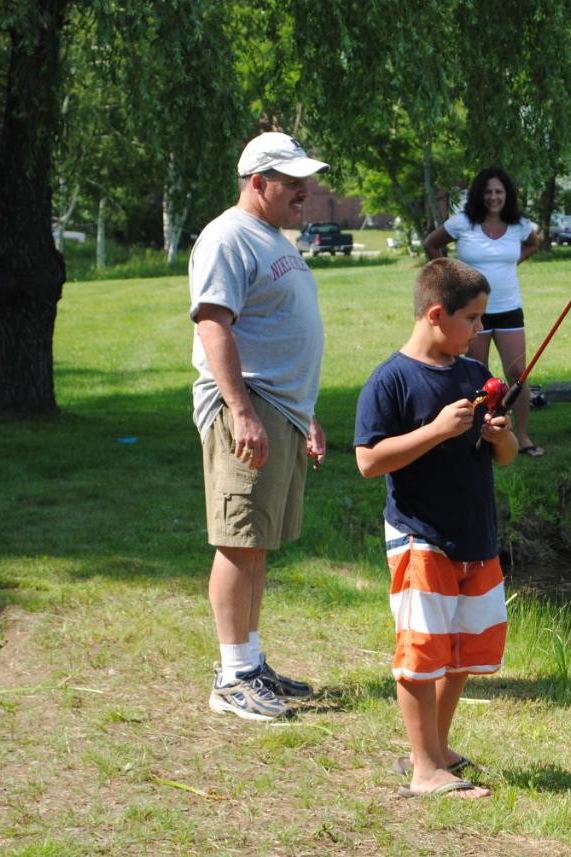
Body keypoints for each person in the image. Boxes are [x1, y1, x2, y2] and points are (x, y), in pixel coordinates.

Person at [354, 257, 518, 799]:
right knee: (421, 656)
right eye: (472, 319)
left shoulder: (473, 374)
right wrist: (437, 430)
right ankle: (424, 769)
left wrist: (498, 436)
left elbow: (508, 457)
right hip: (420, 535)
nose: (480, 330)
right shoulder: (391, 380)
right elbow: (369, 461)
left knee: (463, 652)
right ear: (434, 314)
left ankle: (437, 749)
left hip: (476, 536)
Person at [189, 131, 329, 721]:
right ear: (258, 183)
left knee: (257, 542)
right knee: (238, 539)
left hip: (281, 408)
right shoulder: (227, 236)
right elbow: (214, 323)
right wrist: (241, 410)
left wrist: (307, 413)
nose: (305, 190)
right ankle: (232, 678)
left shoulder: (270, 236)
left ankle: (250, 659)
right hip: (248, 406)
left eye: (306, 179)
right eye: (292, 180)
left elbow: (279, 329)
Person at [422, 167, 544, 457]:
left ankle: (522, 437)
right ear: (479, 194)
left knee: (518, 374)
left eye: (499, 191)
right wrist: (451, 276)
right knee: (477, 377)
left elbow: (533, 243)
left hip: (509, 309)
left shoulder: (519, 226)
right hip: (472, 313)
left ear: (507, 195)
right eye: (488, 191)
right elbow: (431, 243)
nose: (493, 197)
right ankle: (476, 433)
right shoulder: (463, 223)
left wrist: (511, 263)